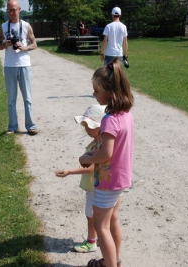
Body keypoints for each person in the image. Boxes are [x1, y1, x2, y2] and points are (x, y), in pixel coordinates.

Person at [79, 58, 134, 267]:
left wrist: (87, 158)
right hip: (121, 177)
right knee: (113, 220)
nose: (94, 94)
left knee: (101, 227)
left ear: (109, 91)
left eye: (96, 90)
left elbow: (106, 153)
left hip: (107, 180)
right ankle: (114, 260)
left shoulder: (109, 119)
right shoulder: (126, 114)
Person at [55, 104, 107, 253]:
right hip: (93, 186)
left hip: (94, 187)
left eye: (89, 126)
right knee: (92, 215)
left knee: (91, 215)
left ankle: (92, 242)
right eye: (85, 126)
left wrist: (69, 171)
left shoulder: (100, 145)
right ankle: (96, 239)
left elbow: (91, 167)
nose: (86, 129)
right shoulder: (97, 142)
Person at [0, 0, 38, 135]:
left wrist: (24, 47)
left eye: (14, 10)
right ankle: (12, 127)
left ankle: (31, 126)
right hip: (9, 66)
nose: (11, 13)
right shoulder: (3, 27)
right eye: (9, 10)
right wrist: (5, 44)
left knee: (28, 98)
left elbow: (34, 44)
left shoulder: (26, 26)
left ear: (19, 10)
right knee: (11, 99)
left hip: (24, 64)